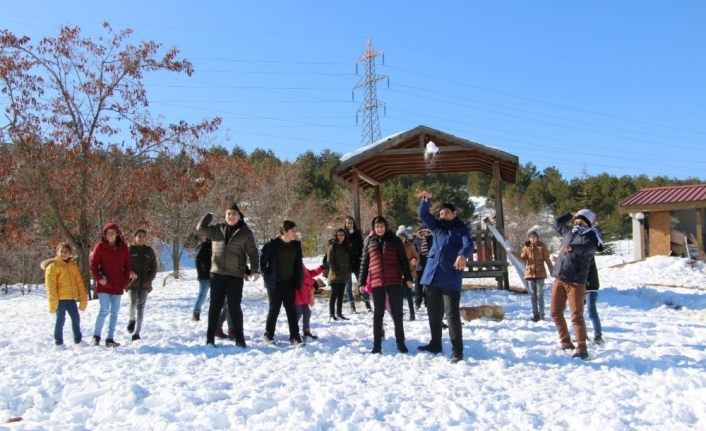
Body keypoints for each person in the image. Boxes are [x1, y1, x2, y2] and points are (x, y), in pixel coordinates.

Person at [417, 193, 473, 363]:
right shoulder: (437, 227)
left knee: (451, 316)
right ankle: (435, 344)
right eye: (441, 213)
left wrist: (463, 254)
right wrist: (425, 201)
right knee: (433, 314)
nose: (443, 215)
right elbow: (423, 214)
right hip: (433, 277)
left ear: (454, 213)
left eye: (447, 213)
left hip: (450, 279)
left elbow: (468, 244)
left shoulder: (461, 229)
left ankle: (457, 351)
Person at [196, 203, 260, 348]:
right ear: (225, 216)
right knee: (215, 307)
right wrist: (209, 214)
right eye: (228, 214)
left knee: (234, 307)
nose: (231, 217)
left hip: (235, 275)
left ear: (239, 216)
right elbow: (200, 228)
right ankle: (210, 339)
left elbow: (253, 252)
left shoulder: (246, 233)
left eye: (234, 214)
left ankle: (240, 338)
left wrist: (255, 270)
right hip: (217, 274)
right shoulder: (216, 229)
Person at [550, 209, 603, 360]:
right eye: (577, 220)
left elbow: (589, 248)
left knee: (576, 316)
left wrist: (573, 248)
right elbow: (556, 223)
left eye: (582, 220)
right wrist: (569, 214)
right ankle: (566, 343)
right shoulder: (568, 232)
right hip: (559, 278)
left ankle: (582, 348)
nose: (578, 222)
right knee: (555, 312)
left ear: (588, 223)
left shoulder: (591, 236)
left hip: (576, 282)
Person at [359, 216, 414, 354]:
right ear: (374, 228)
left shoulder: (394, 241)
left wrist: (408, 277)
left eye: (381, 226)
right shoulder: (369, 242)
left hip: (394, 281)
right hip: (377, 282)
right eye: (377, 226)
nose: (379, 229)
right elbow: (364, 263)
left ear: (386, 226)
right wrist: (361, 281)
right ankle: (377, 345)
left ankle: (400, 343)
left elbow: (403, 260)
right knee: (378, 314)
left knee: (397, 314)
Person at [90, 222, 135, 347]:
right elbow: (93, 265)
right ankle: (96, 337)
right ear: (104, 234)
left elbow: (127, 266)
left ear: (117, 234)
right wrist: (99, 278)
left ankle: (110, 339)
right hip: (104, 284)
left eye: (113, 233)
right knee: (104, 309)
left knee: (114, 312)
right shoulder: (100, 247)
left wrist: (125, 282)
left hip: (118, 284)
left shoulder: (123, 247)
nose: (110, 235)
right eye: (108, 233)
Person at [260, 220, 305, 346]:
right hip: (275, 284)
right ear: (284, 231)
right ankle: (268, 335)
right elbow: (262, 263)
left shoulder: (296, 245)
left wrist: (298, 280)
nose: (295, 233)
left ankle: (295, 337)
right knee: (274, 309)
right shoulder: (272, 245)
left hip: (289, 283)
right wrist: (267, 277)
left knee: (292, 310)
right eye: (293, 231)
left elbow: (298, 264)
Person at [42, 242, 88, 347]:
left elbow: (79, 282)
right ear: (57, 252)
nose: (63, 253)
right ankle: (59, 342)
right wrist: (53, 301)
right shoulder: (53, 266)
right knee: (60, 320)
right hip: (60, 299)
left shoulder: (73, 265)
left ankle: (78, 340)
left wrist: (83, 298)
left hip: (71, 299)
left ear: (70, 253)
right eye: (61, 251)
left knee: (76, 318)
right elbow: (50, 285)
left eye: (66, 252)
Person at [516, 226, 553, 322]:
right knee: (533, 296)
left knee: (540, 295)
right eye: (531, 237)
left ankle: (542, 314)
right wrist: (513, 254)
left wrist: (552, 271)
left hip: (540, 273)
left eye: (534, 237)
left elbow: (547, 260)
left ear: (537, 238)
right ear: (528, 238)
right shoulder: (526, 247)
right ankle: (535, 314)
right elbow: (522, 259)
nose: (532, 239)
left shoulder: (542, 246)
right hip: (530, 274)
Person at [126, 229, 157, 341]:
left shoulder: (149, 251)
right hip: (132, 283)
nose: (141, 238)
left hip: (145, 284)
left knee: (141, 308)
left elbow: (154, 268)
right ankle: (131, 320)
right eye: (139, 236)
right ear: (135, 237)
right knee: (132, 303)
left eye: (143, 236)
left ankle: (136, 333)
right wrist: (129, 273)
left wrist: (149, 280)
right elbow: (124, 265)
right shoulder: (129, 250)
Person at [343, 216, 368, 313]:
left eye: (351, 223)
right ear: (345, 224)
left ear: (353, 223)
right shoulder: (343, 234)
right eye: (348, 223)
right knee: (348, 286)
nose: (349, 224)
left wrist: (361, 257)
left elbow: (362, 246)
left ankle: (367, 302)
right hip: (347, 263)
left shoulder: (357, 234)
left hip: (357, 262)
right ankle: (352, 304)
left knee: (361, 283)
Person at [327, 228, 352, 321]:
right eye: (339, 234)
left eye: (342, 234)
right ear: (336, 235)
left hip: (344, 274)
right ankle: (331, 313)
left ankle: (339, 313)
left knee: (341, 295)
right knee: (334, 294)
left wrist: (348, 269)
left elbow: (348, 260)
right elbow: (329, 261)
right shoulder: (332, 246)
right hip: (335, 275)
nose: (341, 236)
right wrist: (336, 270)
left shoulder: (346, 246)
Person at [295, 263, 325, 340]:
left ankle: (306, 331)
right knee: (297, 313)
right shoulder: (292, 262)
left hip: (304, 294)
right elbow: (300, 277)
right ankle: (293, 331)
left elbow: (309, 274)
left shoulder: (301, 264)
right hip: (297, 293)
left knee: (307, 313)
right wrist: (313, 282)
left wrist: (321, 268)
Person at [396, 225, 419, 321]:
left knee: (408, 294)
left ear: (405, 237)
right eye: (399, 237)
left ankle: (412, 313)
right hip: (398, 272)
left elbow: (417, 257)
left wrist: (414, 260)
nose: (401, 238)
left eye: (403, 236)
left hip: (409, 272)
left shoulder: (411, 245)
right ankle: (399, 313)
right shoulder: (395, 246)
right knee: (399, 294)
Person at [192, 238, 212, 322]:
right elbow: (197, 260)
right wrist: (201, 273)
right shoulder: (204, 245)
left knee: (215, 297)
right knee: (202, 295)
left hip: (215, 276)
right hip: (204, 276)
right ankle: (196, 314)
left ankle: (214, 315)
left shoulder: (218, 245)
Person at [586, 255, 604, 345]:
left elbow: (584, 267)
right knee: (577, 312)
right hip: (579, 286)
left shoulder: (587, 251)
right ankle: (582, 334)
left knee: (591, 311)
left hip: (591, 286)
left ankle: (598, 335)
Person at [413, 227, 433, 309]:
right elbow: (413, 252)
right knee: (418, 284)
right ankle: (418, 301)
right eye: (422, 232)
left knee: (428, 284)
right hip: (419, 264)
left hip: (428, 264)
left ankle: (427, 301)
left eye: (425, 231)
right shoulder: (416, 241)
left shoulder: (432, 239)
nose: (424, 233)